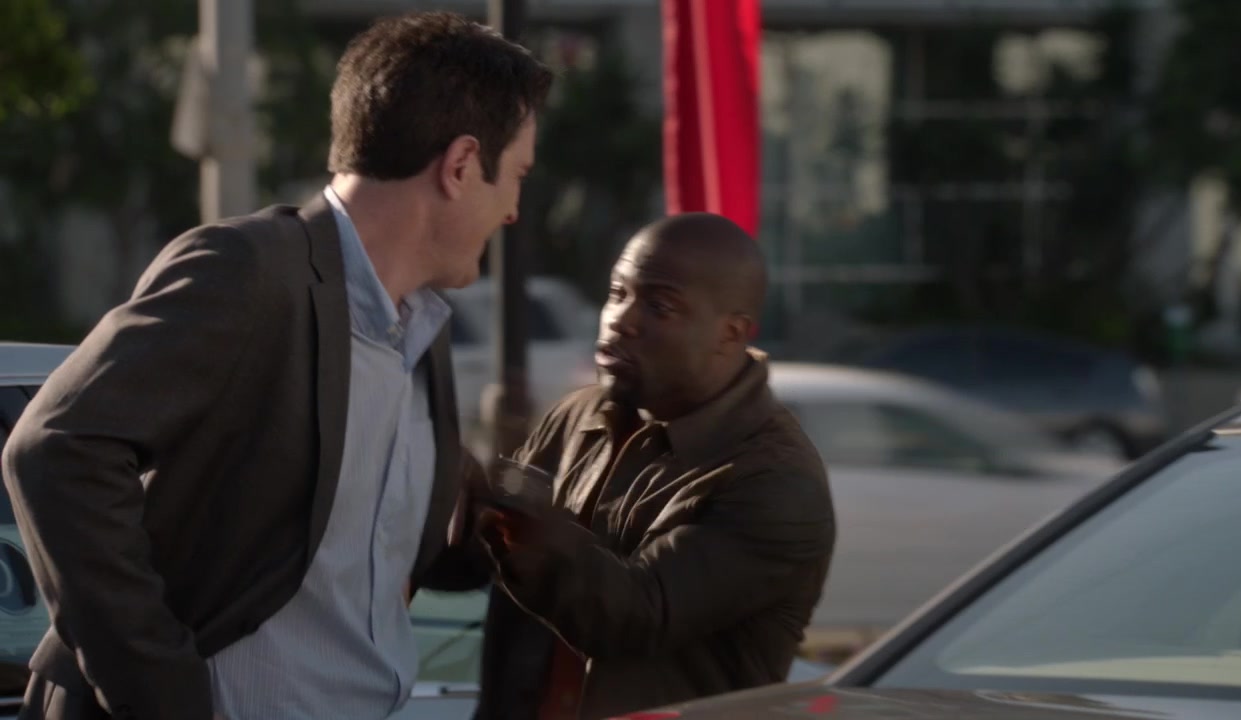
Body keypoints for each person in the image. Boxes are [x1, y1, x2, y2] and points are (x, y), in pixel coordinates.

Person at [0, 11, 551, 720]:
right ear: (462, 165)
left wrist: (513, 533)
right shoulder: (249, 273)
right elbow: (55, 447)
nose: (513, 211)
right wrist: (162, 695)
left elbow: (348, 557)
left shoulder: (422, 332)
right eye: (518, 177)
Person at [470, 213, 837, 720]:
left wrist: (525, 522)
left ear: (730, 333)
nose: (621, 319)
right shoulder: (577, 415)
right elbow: (476, 559)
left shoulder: (775, 480)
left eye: (659, 306)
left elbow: (636, 616)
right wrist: (451, 491)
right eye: (617, 293)